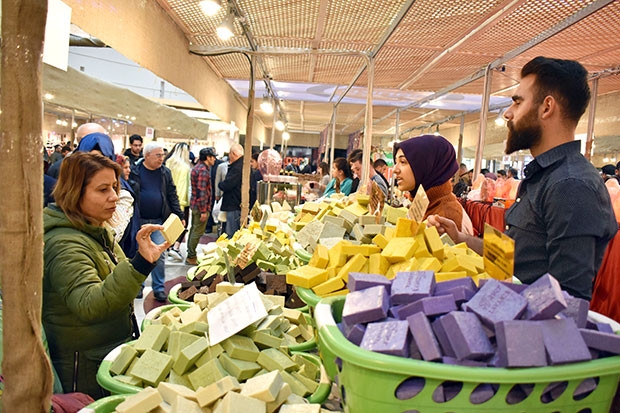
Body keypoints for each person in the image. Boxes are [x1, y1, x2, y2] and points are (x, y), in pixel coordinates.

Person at [429, 56, 617, 300]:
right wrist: (460, 238)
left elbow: (566, 301)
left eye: (517, 102)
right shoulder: (542, 176)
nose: (508, 113)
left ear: (546, 107)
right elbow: (513, 255)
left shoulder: (571, 185)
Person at [43, 152, 168, 398]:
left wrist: (142, 261)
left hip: (103, 354)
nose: (114, 196)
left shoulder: (95, 229)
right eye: (102, 190)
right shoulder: (64, 244)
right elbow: (89, 304)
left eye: (114, 187)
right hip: (84, 368)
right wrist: (140, 264)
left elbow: (115, 279)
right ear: (74, 192)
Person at [129, 141, 184, 302]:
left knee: (159, 254)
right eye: (158, 155)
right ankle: (137, 286)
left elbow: (172, 194)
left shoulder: (165, 172)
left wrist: (179, 214)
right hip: (139, 220)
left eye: (163, 155)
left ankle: (159, 288)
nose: (161, 158)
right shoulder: (135, 171)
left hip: (159, 221)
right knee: (138, 254)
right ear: (147, 156)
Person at [393, 135, 473, 234]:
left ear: (426, 165)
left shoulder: (446, 217)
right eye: (396, 162)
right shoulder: (425, 204)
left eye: (403, 162)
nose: (395, 169)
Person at [186, 148, 216, 265]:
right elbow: (202, 192)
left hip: (195, 204)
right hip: (200, 207)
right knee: (197, 232)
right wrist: (204, 211)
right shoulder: (203, 171)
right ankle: (191, 256)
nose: (214, 159)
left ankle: (190, 253)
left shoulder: (197, 168)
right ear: (208, 157)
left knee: (194, 229)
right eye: (213, 157)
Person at [164, 143, 192, 260]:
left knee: (167, 226)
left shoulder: (167, 163)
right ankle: (175, 248)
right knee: (182, 225)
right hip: (180, 201)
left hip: (166, 200)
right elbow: (182, 187)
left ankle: (168, 247)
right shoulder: (185, 167)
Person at [219, 144, 244, 237]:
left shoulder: (237, 167)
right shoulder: (242, 165)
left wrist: (220, 184)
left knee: (231, 234)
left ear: (233, 154)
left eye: (230, 153)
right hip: (237, 203)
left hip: (233, 204)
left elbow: (228, 184)